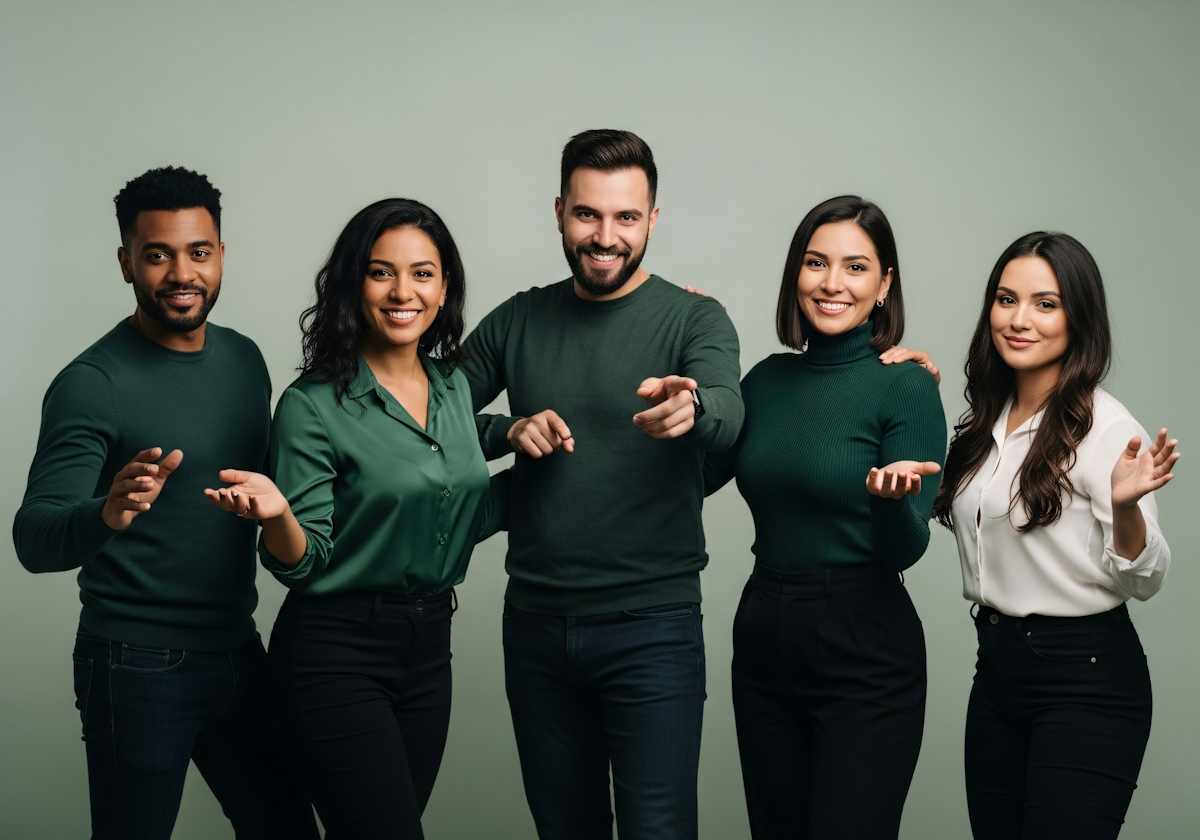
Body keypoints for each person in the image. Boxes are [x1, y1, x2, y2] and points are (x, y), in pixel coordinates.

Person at [12, 167, 318, 840]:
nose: (182, 273)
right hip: (135, 663)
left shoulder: (244, 359)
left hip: (239, 649)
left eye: (198, 252)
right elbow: (32, 538)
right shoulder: (92, 383)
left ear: (220, 255)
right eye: (158, 255)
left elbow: (273, 498)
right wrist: (106, 513)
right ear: (126, 262)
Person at [460, 129, 743, 839]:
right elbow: (423, 414)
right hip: (535, 630)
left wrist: (696, 406)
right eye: (588, 214)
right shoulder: (518, 319)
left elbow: (728, 409)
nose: (605, 236)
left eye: (625, 217)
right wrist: (506, 431)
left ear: (653, 220)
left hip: (653, 629)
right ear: (559, 212)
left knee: (658, 830)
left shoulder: (693, 316)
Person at [204, 198, 509, 839]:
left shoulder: (452, 387)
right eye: (381, 272)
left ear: (445, 285)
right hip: (334, 654)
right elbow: (302, 559)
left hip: (429, 651)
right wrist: (278, 514)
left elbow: (453, 494)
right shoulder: (312, 406)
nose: (404, 291)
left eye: (423, 273)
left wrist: (516, 432)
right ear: (351, 284)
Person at [704, 195, 946, 840]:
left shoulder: (906, 385)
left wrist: (889, 503)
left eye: (856, 267)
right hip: (762, 632)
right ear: (796, 273)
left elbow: (907, 549)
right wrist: (691, 351)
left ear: (884, 283)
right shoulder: (763, 381)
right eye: (816, 263)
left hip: (863, 641)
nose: (832, 283)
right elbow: (689, 482)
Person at [931, 232, 1177, 840]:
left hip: (1086, 678)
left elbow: (1146, 579)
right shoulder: (987, 420)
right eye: (1005, 299)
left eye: (1046, 303)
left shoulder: (1107, 429)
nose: (1019, 320)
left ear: (1079, 317)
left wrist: (1126, 509)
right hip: (996, 671)